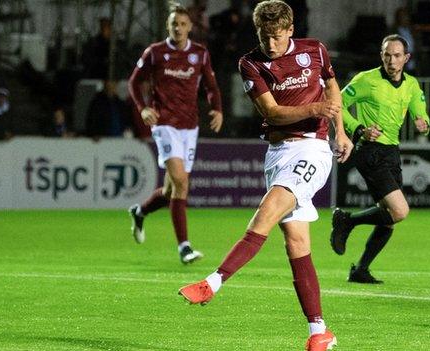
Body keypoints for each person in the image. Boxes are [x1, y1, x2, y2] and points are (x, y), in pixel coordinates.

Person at [177, 1, 352, 350]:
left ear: (289, 30)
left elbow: (331, 86)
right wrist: (316, 107)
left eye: (275, 36)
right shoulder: (250, 63)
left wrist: (340, 131)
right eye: (263, 36)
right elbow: (271, 112)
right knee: (297, 245)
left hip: (312, 150)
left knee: (265, 214)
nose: (269, 44)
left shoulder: (314, 49)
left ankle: (213, 282)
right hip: (277, 153)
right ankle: (320, 332)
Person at [330, 34, 430, 284]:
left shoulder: (412, 85)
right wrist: (359, 129)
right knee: (400, 211)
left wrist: (423, 124)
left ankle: (361, 269)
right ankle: (347, 220)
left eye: (397, 55)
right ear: (381, 56)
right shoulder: (366, 80)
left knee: (388, 219)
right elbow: (336, 104)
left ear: (406, 58)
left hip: (392, 153)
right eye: (387, 54)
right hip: (369, 150)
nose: (391, 60)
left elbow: (422, 116)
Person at [127, 4, 223, 264]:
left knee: (172, 191)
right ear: (167, 27)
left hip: (189, 127)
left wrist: (217, 110)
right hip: (164, 124)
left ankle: (140, 211)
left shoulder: (200, 54)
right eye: (174, 24)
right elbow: (135, 82)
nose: (178, 28)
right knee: (181, 182)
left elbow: (211, 87)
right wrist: (144, 108)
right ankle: (184, 247)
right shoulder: (155, 53)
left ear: (190, 27)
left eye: (182, 24)